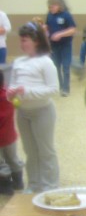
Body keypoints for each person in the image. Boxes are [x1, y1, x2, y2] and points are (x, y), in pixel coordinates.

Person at [7, 21, 60, 193]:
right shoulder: (18, 62)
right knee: (30, 151)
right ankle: (34, 184)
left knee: (46, 150)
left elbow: (53, 89)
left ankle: (50, 185)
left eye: (25, 40)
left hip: (43, 112)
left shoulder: (45, 62)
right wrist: (11, 92)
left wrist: (27, 92)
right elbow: (13, 84)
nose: (22, 44)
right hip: (23, 113)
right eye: (21, 40)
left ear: (36, 41)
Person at [46, 0, 76, 96]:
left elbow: (72, 30)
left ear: (58, 5)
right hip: (54, 46)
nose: (51, 9)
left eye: (52, 7)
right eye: (49, 7)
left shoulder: (66, 15)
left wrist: (60, 34)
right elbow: (47, 27)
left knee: (66, 67)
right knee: (56, 66)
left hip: (65, 45)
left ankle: (66, 88)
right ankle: (59, 86)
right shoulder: (49, 15)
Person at [0, 69, 24, 195]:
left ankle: (5, 186)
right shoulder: (8, 97)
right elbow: (18, 103)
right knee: (13, 158)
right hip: (10, 136)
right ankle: (18, 181)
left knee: (1, 163)